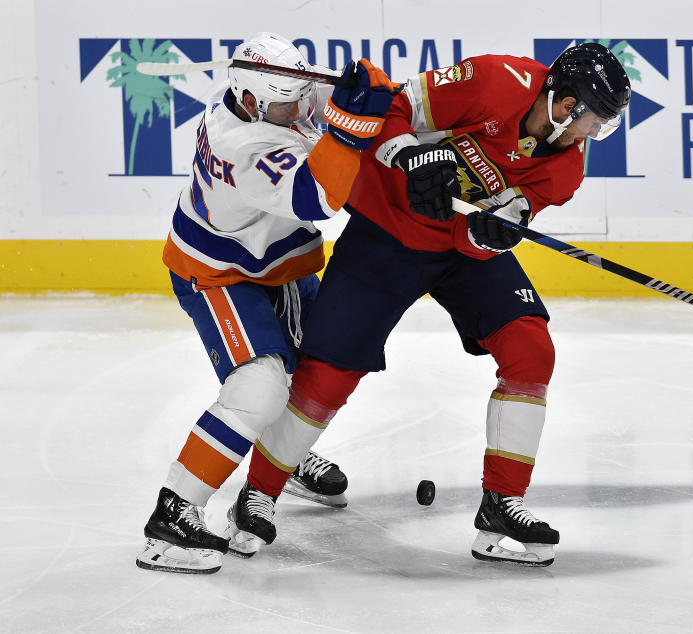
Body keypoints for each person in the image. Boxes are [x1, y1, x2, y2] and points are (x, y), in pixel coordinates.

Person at [241, 42, 631, 566]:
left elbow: (497, 225)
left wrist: (492, 233)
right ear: (564, 104)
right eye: (594, 121)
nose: (593, 136)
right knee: (329, 371)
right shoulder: (495, 80)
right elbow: (397, 107)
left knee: (530, 350)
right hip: (388, 230)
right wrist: (410, 156)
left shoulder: (565, 171)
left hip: (456, 249)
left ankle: (502, 505)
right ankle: (259, 494)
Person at [135, 31, 396, 574]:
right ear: (251, 102)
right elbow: (316, 197)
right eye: (285, 103)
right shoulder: (242, 144)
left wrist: (374, 95)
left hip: (280, 262)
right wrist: (353, 123)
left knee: (318, 369)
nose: (299, 108)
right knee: (258, 391)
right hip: (222, 272)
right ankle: (171, 517)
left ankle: (282, 459)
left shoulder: (276, 96)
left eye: (300, 95)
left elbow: (341, 107)